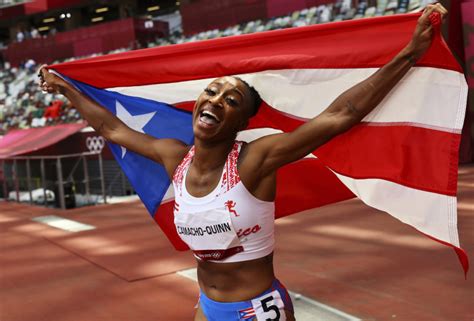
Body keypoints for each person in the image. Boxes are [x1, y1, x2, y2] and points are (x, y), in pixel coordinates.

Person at [38, 4, 447, 320]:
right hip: (207, 306)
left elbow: (338, 116)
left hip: (256, 310)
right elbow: (111, 130)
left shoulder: (255, 160)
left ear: (241, 122)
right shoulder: (173, 156)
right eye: (211, 91)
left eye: (230, 100)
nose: (215, 100)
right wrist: (66, 89)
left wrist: (408, 54)